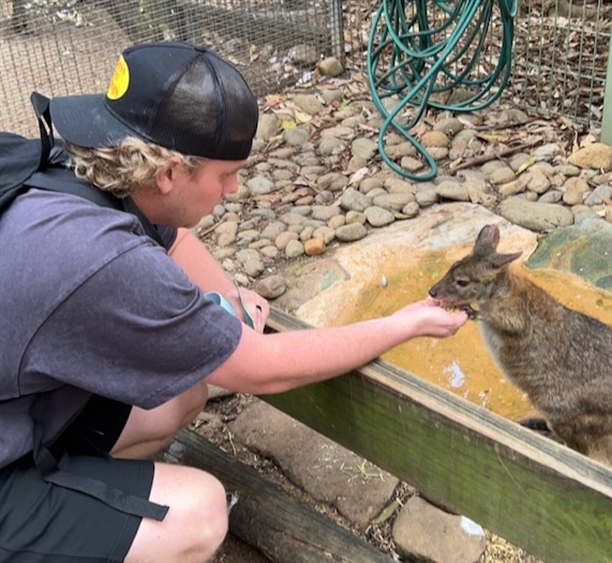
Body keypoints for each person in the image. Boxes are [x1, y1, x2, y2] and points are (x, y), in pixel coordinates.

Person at [0, 41, 468, 563]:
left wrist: (226, 297)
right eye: (225, 175)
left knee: (179, 395)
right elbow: (261, 368)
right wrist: (401, 324)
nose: (234, 189)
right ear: (170, 172)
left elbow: (171, 238)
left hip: (20, 416)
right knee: (200, 513)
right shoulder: (105, 261)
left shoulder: (86, 158)